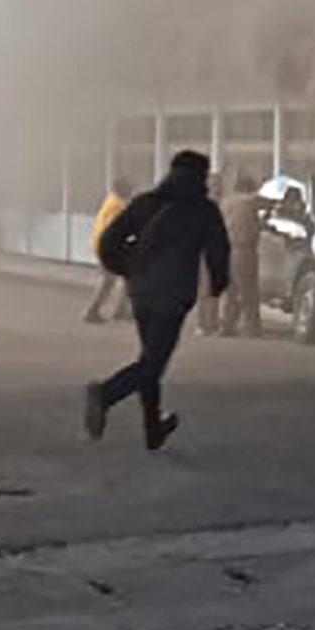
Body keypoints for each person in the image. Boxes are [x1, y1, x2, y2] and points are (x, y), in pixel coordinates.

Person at [84, 149, 230, 450]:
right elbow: (219, 251)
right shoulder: (204, 210)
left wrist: (127, 269)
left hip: (141, 293)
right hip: (173, 297)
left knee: (150, 359)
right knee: (152, 363)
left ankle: (153, 428)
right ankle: (105, 394)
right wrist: (218, 284)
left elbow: (107, 242)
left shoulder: (146, 203)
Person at [216, 171, 267, 337]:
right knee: (248, 290)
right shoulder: (250, 200)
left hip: (226, 250)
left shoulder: (226, 202)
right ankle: (252, 327)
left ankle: (227, 325)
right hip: (244, 250)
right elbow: (267, 203)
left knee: (231, 291)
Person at [83, 175, 136, 324]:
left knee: (125, 278)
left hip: (105, 246)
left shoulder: (112, 201)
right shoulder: (117, 206)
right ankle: (93, 311)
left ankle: (120, 310)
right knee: (109, 281)